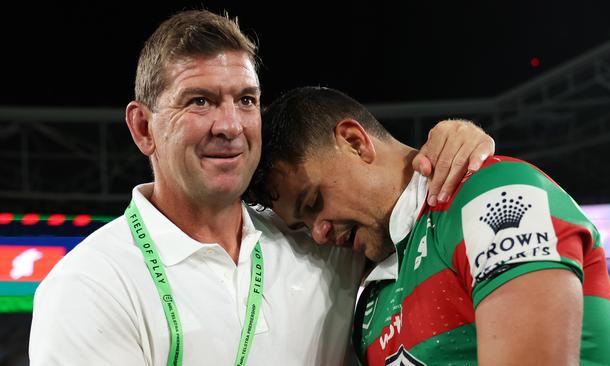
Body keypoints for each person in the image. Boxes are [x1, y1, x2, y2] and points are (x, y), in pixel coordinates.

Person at [28, 10, 496, 366]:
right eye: (200, 101)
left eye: (245, 100)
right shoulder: (90, 285)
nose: (230, 125)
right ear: (144, 127)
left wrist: (453, 140)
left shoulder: (320, 239)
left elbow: (395, 191)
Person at [244, 86, 610, 366]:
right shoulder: (371, 303)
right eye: (303, 224)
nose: (319, 233)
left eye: (313, 203)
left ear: (355, 142)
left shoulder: (491, 196)